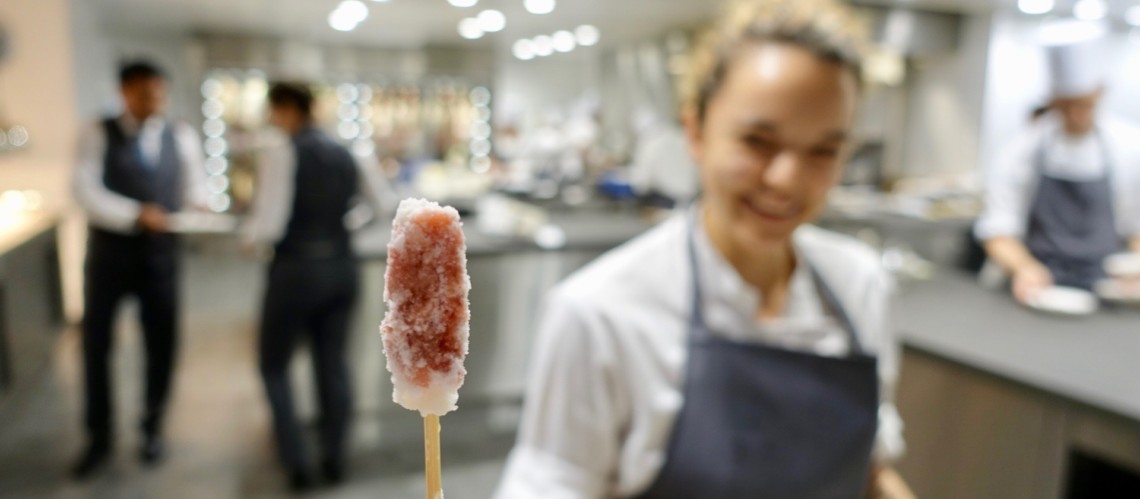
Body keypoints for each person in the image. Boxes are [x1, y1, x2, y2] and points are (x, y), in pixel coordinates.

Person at [493, 0, 913, 497]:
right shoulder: (598, 313)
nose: (787, 179)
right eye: (758, 141)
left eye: (823, 150)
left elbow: (869, 468)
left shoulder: (859, 284)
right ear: (696, 131)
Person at [242, 82, 392, 492]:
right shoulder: (351, 152)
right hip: (341, 268)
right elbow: (381, 206)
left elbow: (269, 222)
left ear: (288, 109)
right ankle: (334, 456)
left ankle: (295, 461)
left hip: (294, 269)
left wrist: (249, 238)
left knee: (274, 365)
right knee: (333, 363)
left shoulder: (281, 150)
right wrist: (342, 226)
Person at [71, 60, 208, 478]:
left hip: (160, 259)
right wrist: (135, 214)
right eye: (148, 94)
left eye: (160, 94)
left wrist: (198, 205)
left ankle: (152, 426)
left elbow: (194, 184)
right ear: (126, 92)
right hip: (110, 258)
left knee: (162, 344)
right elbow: (84, 189)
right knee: (96, 346)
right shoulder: (96, 132)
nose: (156, 102)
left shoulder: (179, 135)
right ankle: (99, 435)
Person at [976, 22, 1140, 302]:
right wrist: (1024, 268)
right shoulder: (1021, 149)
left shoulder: (1130, 147)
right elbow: (997, 229)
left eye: (1084, 105)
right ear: (1052, 99)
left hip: (1107, 290)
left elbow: (1135, 227)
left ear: (1100, 92)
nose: (1074, 115)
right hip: (1036, 287)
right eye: (1065, 106)